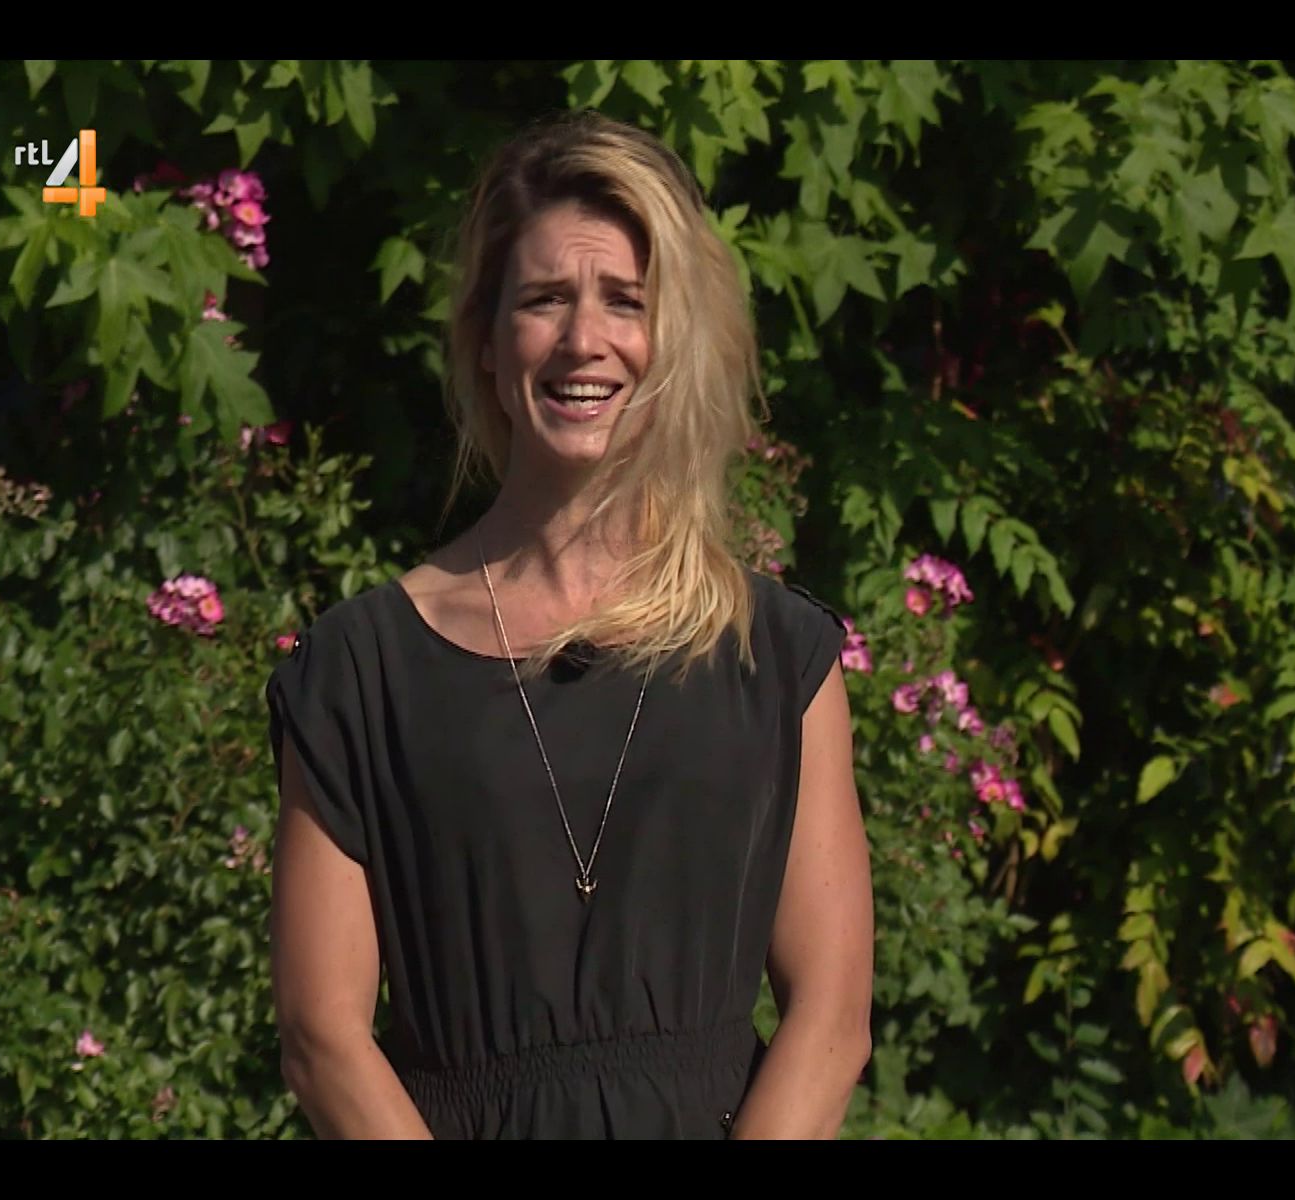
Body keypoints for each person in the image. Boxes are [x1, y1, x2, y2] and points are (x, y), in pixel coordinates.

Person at [264, 111, 874, 1140]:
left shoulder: (776, 657)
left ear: (672, 340)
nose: (584, 340)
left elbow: (832, 1019)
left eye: (625, 302)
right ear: (487, 340)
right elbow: (322, 1037)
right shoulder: (360, 672)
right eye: (545, 299)